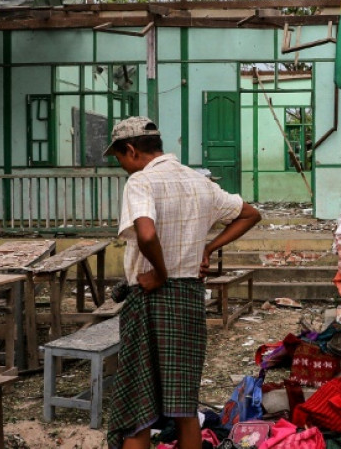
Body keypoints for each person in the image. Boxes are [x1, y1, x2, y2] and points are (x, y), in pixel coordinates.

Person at [104, 117, 261, 449]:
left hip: (149, 297)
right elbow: (249, 214)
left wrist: (159, 273)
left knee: (138, 406)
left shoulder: (141, 182)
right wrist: (208, 246)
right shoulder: (198, 182)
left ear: (130, 150)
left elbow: (146, 234)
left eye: (119, 159)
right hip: (188, 299)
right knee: (183, 404)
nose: (122, 167)